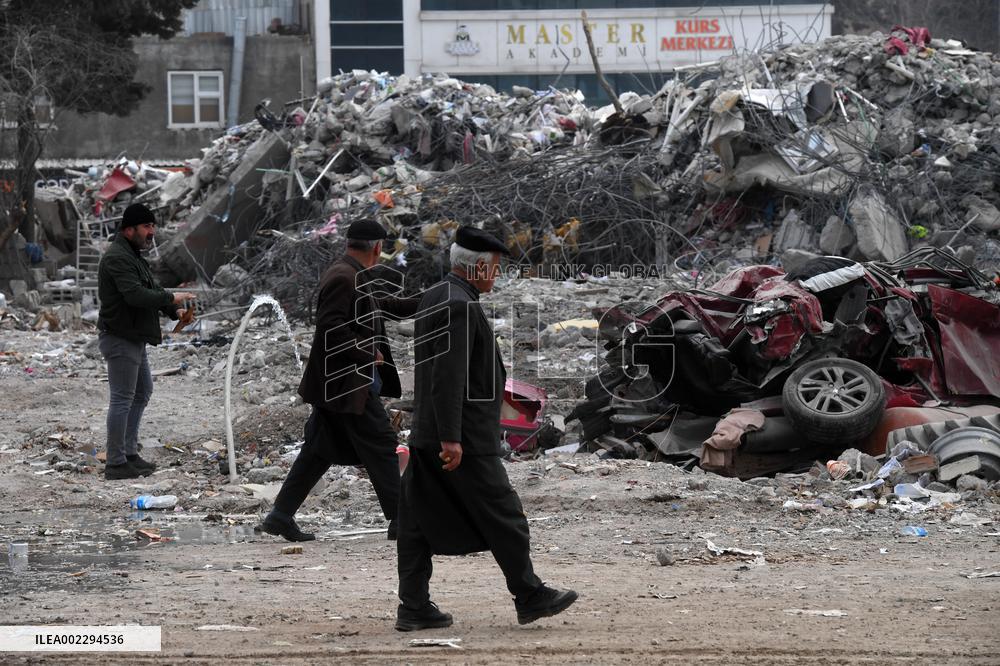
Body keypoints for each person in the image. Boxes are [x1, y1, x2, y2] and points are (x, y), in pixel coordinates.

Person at [395, 226, 578, 631]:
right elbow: (449, 376)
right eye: (494, 267)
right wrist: (452, 437)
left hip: (429, 432)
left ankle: (414, 606)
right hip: (462, 437)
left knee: (416, 523)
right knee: (504, 514)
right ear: (477, 267)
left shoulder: (437, 295)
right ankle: (529, 594)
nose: (496, 274)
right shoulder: (458, 305)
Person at [261, 219, 419, 542]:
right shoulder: (343, 277)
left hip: (339, 387)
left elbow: (385, 306)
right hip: (348, 386)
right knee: (383, 446)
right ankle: (402, 520)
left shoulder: (353, 274)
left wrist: (430, 300)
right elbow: (330, 329)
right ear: (377, 247)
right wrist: (367, 353)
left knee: (318, 450)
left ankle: (280, 516)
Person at [97, 203, 196, 480]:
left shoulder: (133, 257)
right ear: (129, 230)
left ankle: (129, 454)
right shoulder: (117, 258)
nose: (151, 232)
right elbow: (135, 295)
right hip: (120, 337)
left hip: (133, 337)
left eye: (153, 226)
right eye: (146, 226)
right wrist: (171, 298)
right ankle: (115, 463)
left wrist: (175, 311)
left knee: (141, 392)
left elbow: (151, 289)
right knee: (122, 399)